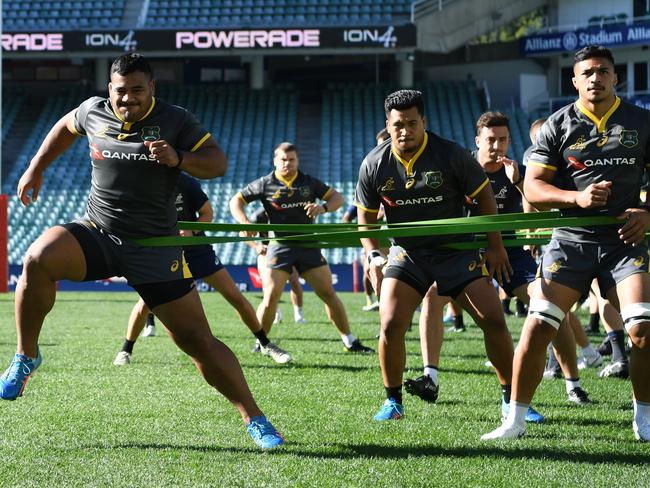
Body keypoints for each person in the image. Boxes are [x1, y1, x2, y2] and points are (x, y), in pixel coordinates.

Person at [0, 53, 284, 449]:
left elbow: (218, 164)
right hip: (99, 232)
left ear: (152, 88)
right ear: (109, 90)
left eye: (137, 90)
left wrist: (178, 157)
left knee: (197, 342)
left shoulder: (176, 119)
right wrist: (37, 165)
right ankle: (26, 356)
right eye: (120, 91)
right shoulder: (93, 112)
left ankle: (256, 419)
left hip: (154, 246)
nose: (128, 98)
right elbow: (66, 126)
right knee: (37, 258)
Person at [482, 45, 650, 442]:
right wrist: (577, 198)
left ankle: (643, 418)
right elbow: (535, 188)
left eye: (603, 71)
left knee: (643, 328)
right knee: (538, 325)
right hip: (570, 242)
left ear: (615, 77)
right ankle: (514, 421)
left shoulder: (642, 122)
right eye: (587, 72)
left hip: (624, 242)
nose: (596, 78)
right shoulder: (557, 125)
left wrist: (648, 212)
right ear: (574, 80)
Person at [355, 89, 518, 423]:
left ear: (423, 122)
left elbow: (486, 199)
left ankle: (511, 402)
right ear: (388, 124)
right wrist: (373, 256)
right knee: (389, 325)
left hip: (456, 252)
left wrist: (495, 246)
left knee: (494, 321)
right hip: (408, 254)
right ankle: (393, 401)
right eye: (398, 124)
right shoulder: (374, 163)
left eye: (412, 123)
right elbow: (365, 221)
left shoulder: (451, 155)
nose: (405, 131)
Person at [113, 173, 291, 366]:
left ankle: (265, 343)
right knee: (145, 305)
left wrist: (193, 230)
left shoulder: (185, 181)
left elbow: (208, 213)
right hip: (164, 254)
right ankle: (126, 350)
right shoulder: (142, 183)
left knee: (235, 296)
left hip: (197, 250)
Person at [229, 142, 374, 355]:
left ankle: (350, 341)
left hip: (308, 245)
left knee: (328, 293)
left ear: (297, 160)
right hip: (279, 246)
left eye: (292, 160)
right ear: (275, 161)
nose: (287, 163)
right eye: (283, 160)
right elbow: (236, 201)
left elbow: (338, 198)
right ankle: (262, 344)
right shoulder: (264, 183)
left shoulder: (308, 182)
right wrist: (244, 222)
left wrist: (323, 207)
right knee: (270, 297)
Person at [343, 128, 391, 312]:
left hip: (393, 236)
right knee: (369, 270)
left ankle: (392, 304)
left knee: (391, 271)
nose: (379, 150)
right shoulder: (372, 172)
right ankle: (375, 301)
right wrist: (349, 220)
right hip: (372, 235)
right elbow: (352, 210)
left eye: (381, 145)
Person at [248, 208, 306, 327]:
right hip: (266, 251)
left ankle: (298, 314)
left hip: (285, 249)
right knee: (267, 285)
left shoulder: (288, 211)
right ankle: (275, 313)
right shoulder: (258, 215)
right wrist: (256, 246)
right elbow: (244, 233)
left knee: (294, 280)